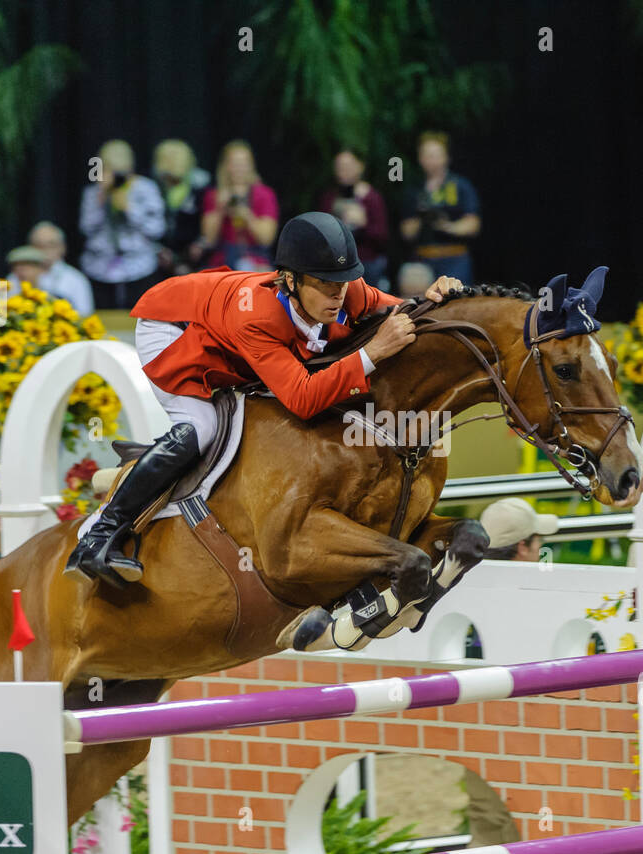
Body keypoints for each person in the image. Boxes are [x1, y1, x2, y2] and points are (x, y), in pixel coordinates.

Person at [64, 211, 464, 589]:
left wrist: (429, 297)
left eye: (342, 282)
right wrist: (371, 353)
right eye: (326, 284)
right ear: (290, 281)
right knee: (202, 428)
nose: (338, 294)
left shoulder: (345, 289)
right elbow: (304, 399)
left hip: (225, 335)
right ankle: (99, 534)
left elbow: (402, 316)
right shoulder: (256, 316)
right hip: (174, 331)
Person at [80, 139, 166, 309]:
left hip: (140, 267)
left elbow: (157, 229)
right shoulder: (93, 192)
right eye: (109, 168)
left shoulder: (146, 188)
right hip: (99, 268)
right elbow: (86, 228)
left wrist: (130, 209)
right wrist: (100, 202)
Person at [399, 131, 480, 284]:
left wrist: (447, 226)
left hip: (455, 260)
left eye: (436, 155)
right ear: (420, 158)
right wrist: (422, 216)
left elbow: (473, 225)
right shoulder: (414, 190)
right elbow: (406, 233)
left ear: (446, 157)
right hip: (423, 261)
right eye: (427, 155)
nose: (431, 160)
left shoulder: (461, 186)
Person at [199, 140, 279, 271]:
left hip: (255, 259)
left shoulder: (264, 194)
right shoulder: (214, 195)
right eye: (234, 163)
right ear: (225, 166)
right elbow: (208, 240)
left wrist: (247, 215)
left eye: (243, 163)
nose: (239, 169)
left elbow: (266, 239)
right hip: (222, 260)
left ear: (251, 166)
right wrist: (220, 209)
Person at [318, 148, 390, 288]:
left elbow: (382, 237)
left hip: (366, 262)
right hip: (336, 263)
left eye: (348, 166)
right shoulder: (329, 198)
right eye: (340, 167)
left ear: (360, 166)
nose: (344, 170)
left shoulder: (372, 197)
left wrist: (363, 224)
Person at [153, 139, 212, 276]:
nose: (172, 164)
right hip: (160, 257)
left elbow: (208, 219)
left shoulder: (202, 186)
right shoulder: (152, 186)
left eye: (177, 160)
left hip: (195, 256)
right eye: (168, 160)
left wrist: (200, 244)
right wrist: (157, 250)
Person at [28, 221, 95, 316]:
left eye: (51, 245)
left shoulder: (77, 279)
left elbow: (86, 317)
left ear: (62, 248)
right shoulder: (14, 277)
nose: (44, 250)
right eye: (38, 245)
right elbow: (1, 319)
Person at [479, 498, 559, 562]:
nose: (540, 546)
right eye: (539, 540)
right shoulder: (535, 581)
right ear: (523, 548)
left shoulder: (472, 578)